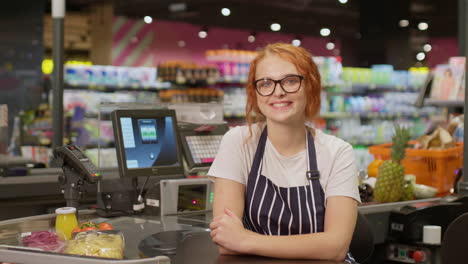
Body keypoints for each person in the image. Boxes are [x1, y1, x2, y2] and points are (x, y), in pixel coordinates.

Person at [208, 43, 361, 263]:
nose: (278, 92)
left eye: (290, 81)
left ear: (310, 86)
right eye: (266, 83)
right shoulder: (239, 142)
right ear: (255, 92)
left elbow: (336, 248)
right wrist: (317, 244)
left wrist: (246, 240)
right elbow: (226, 239)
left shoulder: (337, 152)